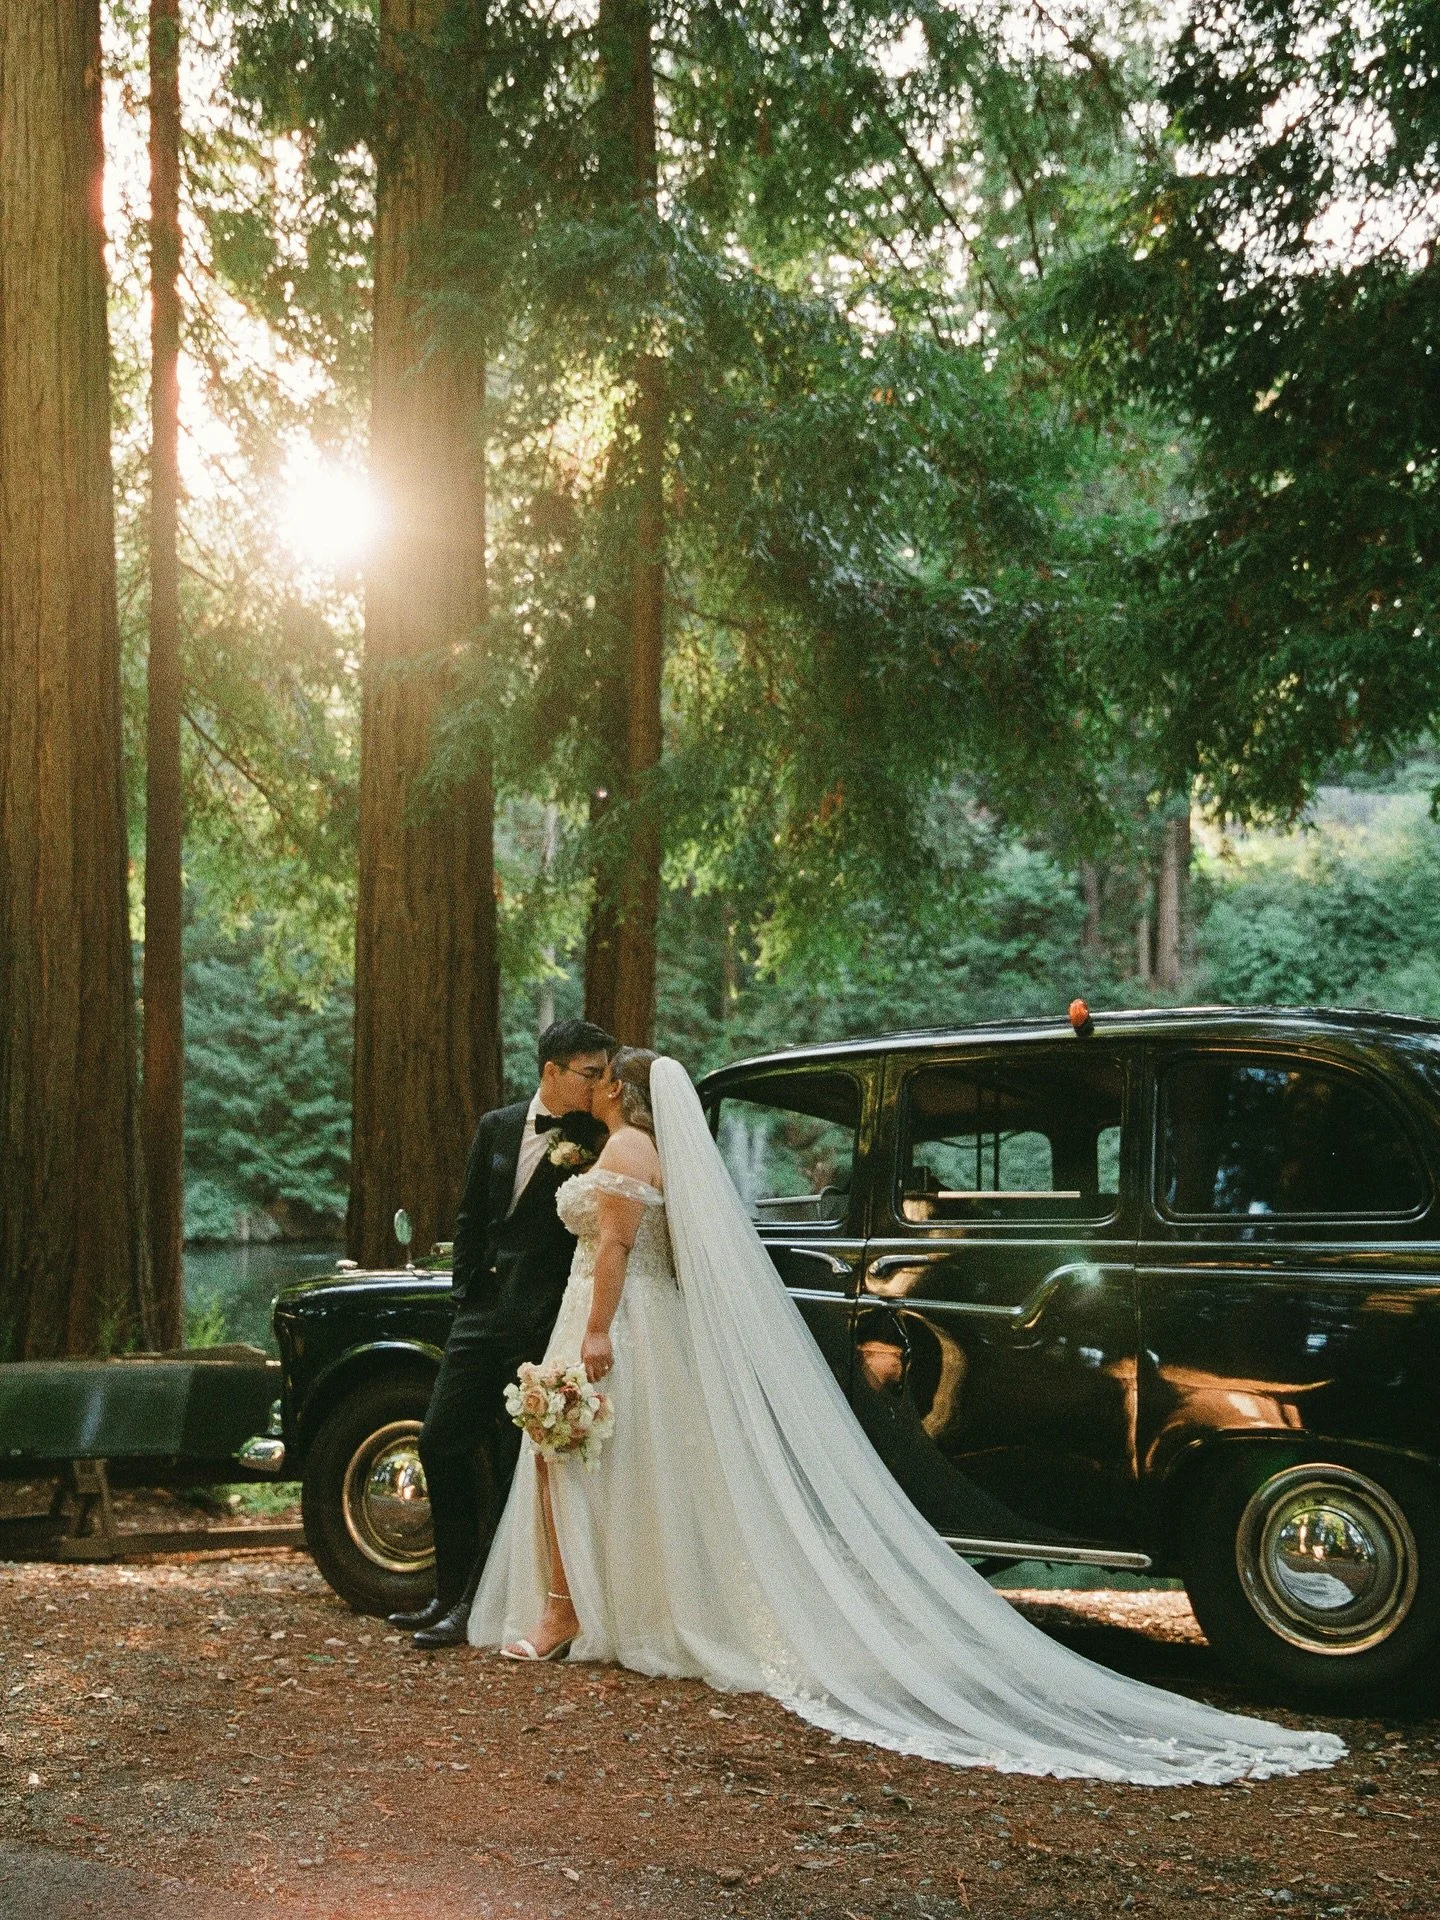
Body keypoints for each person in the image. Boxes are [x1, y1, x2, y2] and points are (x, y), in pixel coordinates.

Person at [470, 1050, 1346, 1782]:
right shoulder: (655, 1159)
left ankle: (582, 1609)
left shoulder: (622, 1156)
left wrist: (590, 1332)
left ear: (620, 1091)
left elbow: (617, 1251)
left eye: (599, 1078)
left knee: (595, 1460)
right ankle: (618, 1608)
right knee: (648, 1465)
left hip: (615, 1321)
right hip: (648, 1325)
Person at [393, 1017, 613, 1649]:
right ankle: (446, 1589)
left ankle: (477, 1605)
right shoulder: (496, 1125)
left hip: (542, 1325)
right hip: (479, 1316)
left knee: (520, 1462)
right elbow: (471, 1214)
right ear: (552, 1071)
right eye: (589, 1074)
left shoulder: (599, 1139)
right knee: (440, 1440)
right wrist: (465, 1295)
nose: (599, 1086)